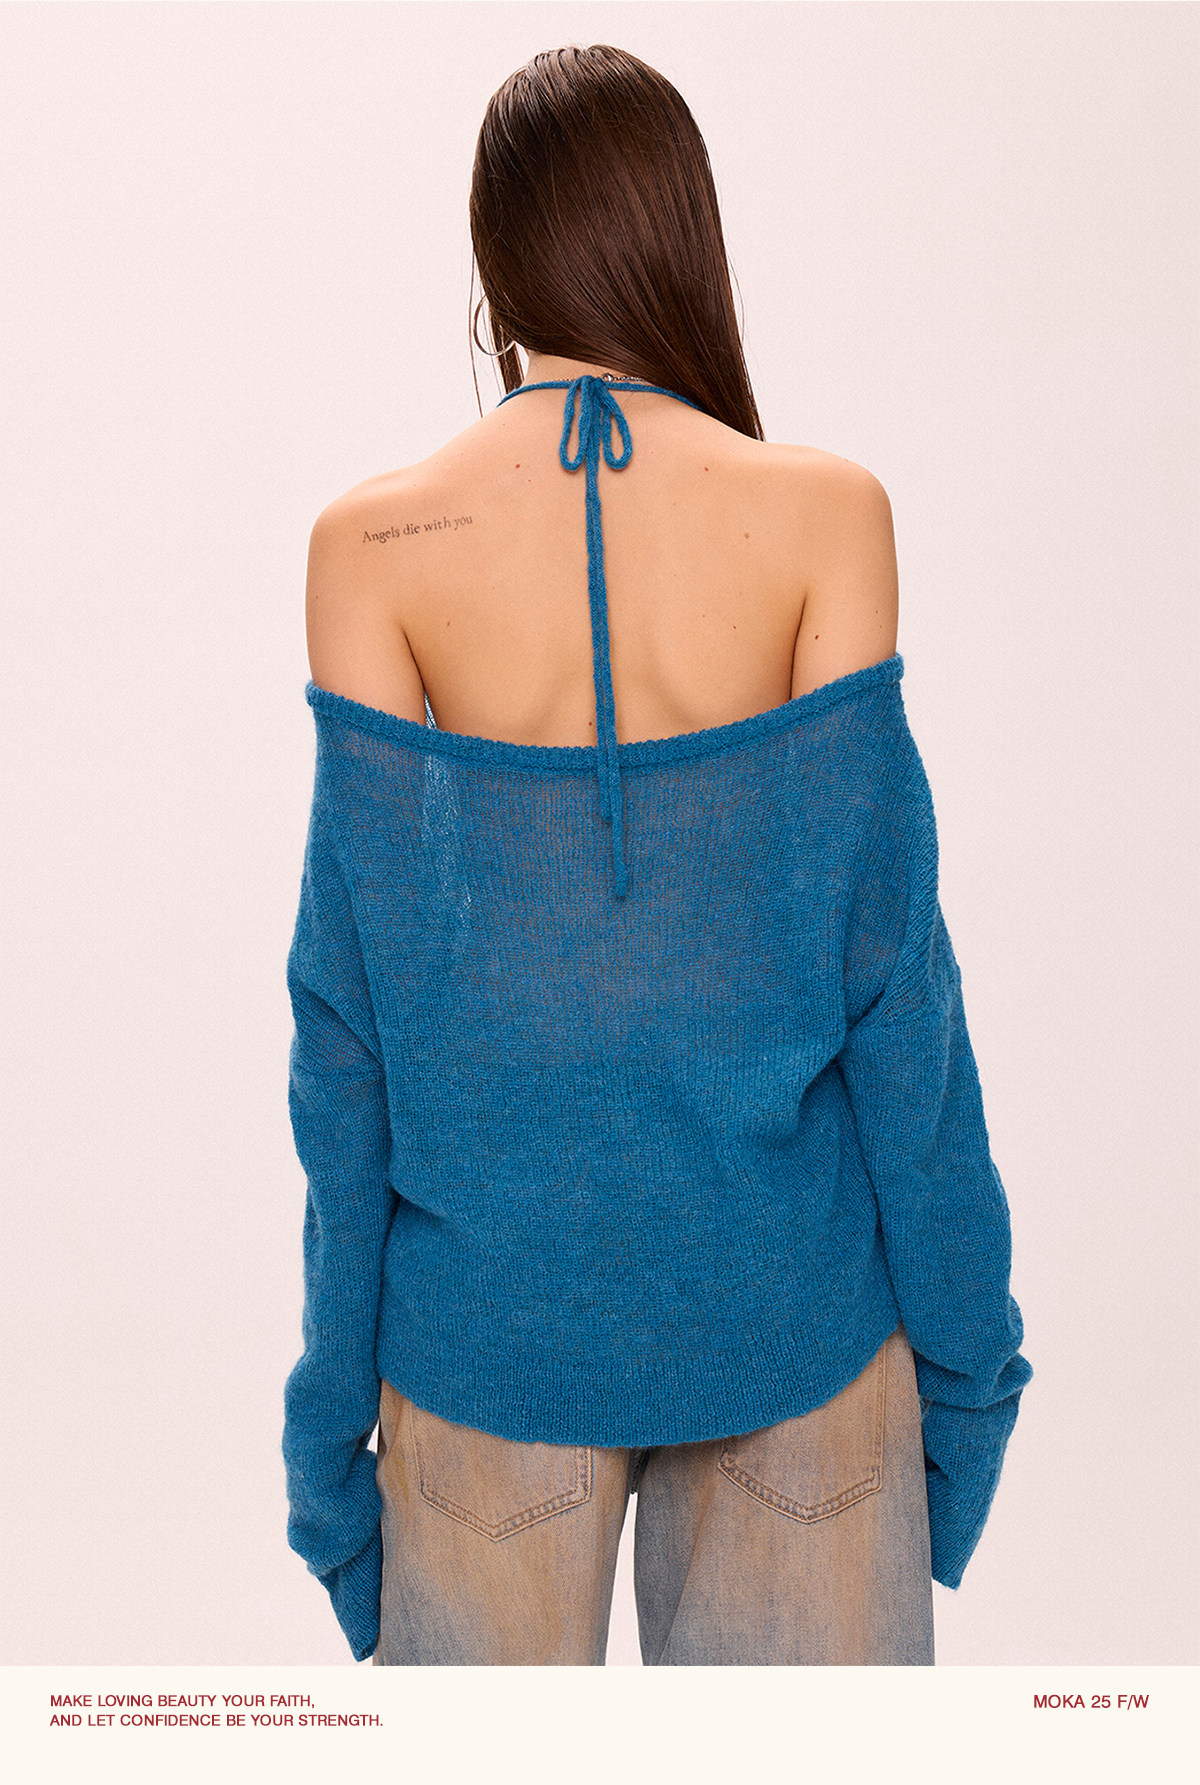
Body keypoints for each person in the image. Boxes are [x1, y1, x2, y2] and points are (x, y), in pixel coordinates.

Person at [281, 42, 1032, 1668]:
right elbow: (901, 999)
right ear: (683, 235)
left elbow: (348, 1035)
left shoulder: (371, 546)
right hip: (802, 1341)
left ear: (495, 265)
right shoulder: (827, 515)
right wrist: (972, 1366)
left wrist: (328, 1429)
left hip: (485, 1352)